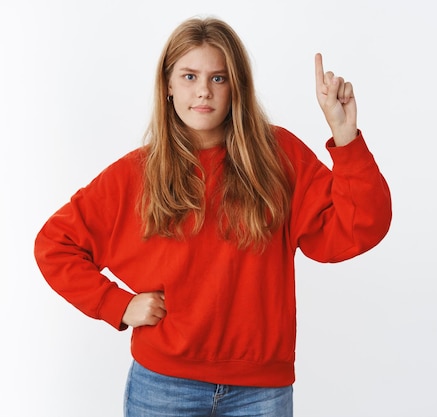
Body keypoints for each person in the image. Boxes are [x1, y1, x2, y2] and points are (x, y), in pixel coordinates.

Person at [34, 16, 392, 417]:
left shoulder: (278, 157)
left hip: (261, 391)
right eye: (189, 76)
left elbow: (357, 229)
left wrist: (345, 137)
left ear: (236, 85)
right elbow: (54, 244)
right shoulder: (137, 173)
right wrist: (117, 304)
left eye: (218, 78)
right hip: (163, 387)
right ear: (167, 85)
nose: (203, 91)